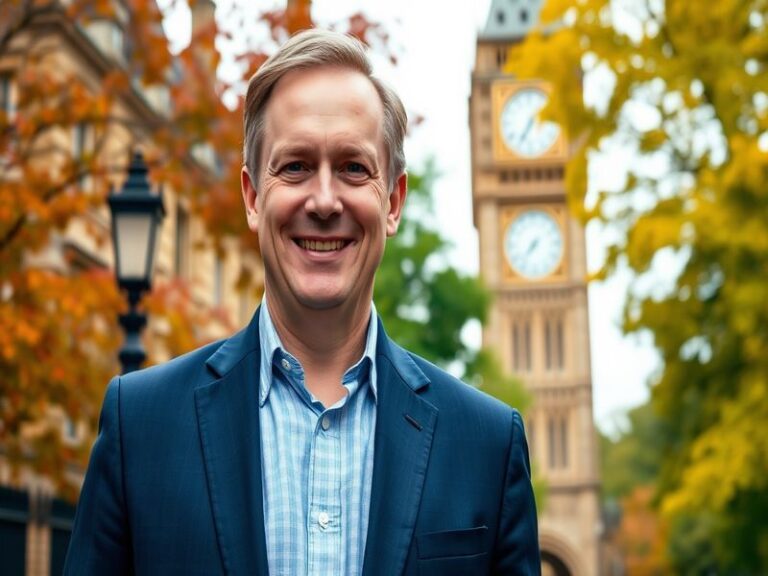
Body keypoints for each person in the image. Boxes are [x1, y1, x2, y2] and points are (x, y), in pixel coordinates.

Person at [64, 28, 540, 575]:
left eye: (354, 168)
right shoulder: (140, 427)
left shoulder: (486, 445)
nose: (324, 200)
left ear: (393, 201)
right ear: (252, 197)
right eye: (295, 166)